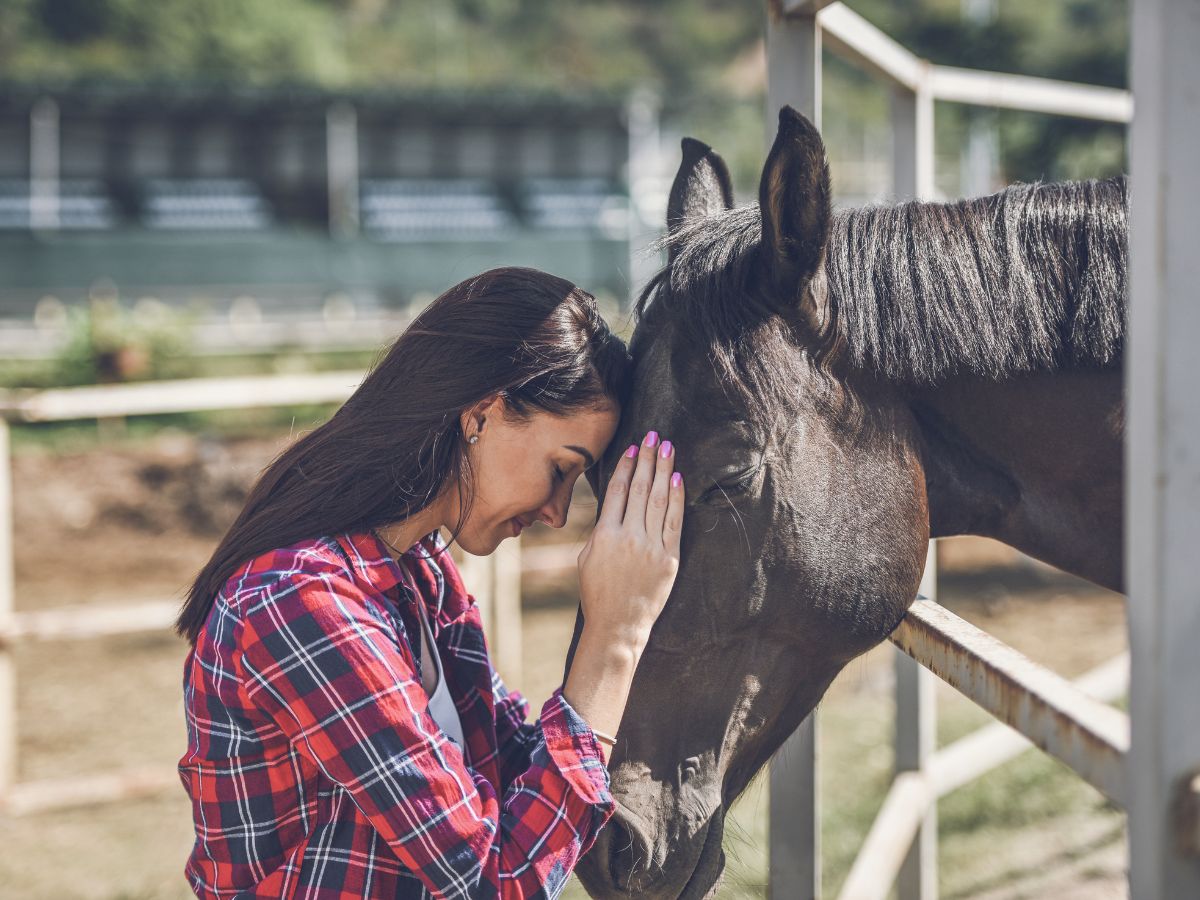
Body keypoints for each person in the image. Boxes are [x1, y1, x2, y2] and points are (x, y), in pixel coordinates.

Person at [175, 267, 685, 899]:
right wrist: (614, 638)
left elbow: (507, 775)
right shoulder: (301, 603)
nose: (556, 511)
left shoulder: (422, 581)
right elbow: (497, 882)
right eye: (560, 469)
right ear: (483, 413)